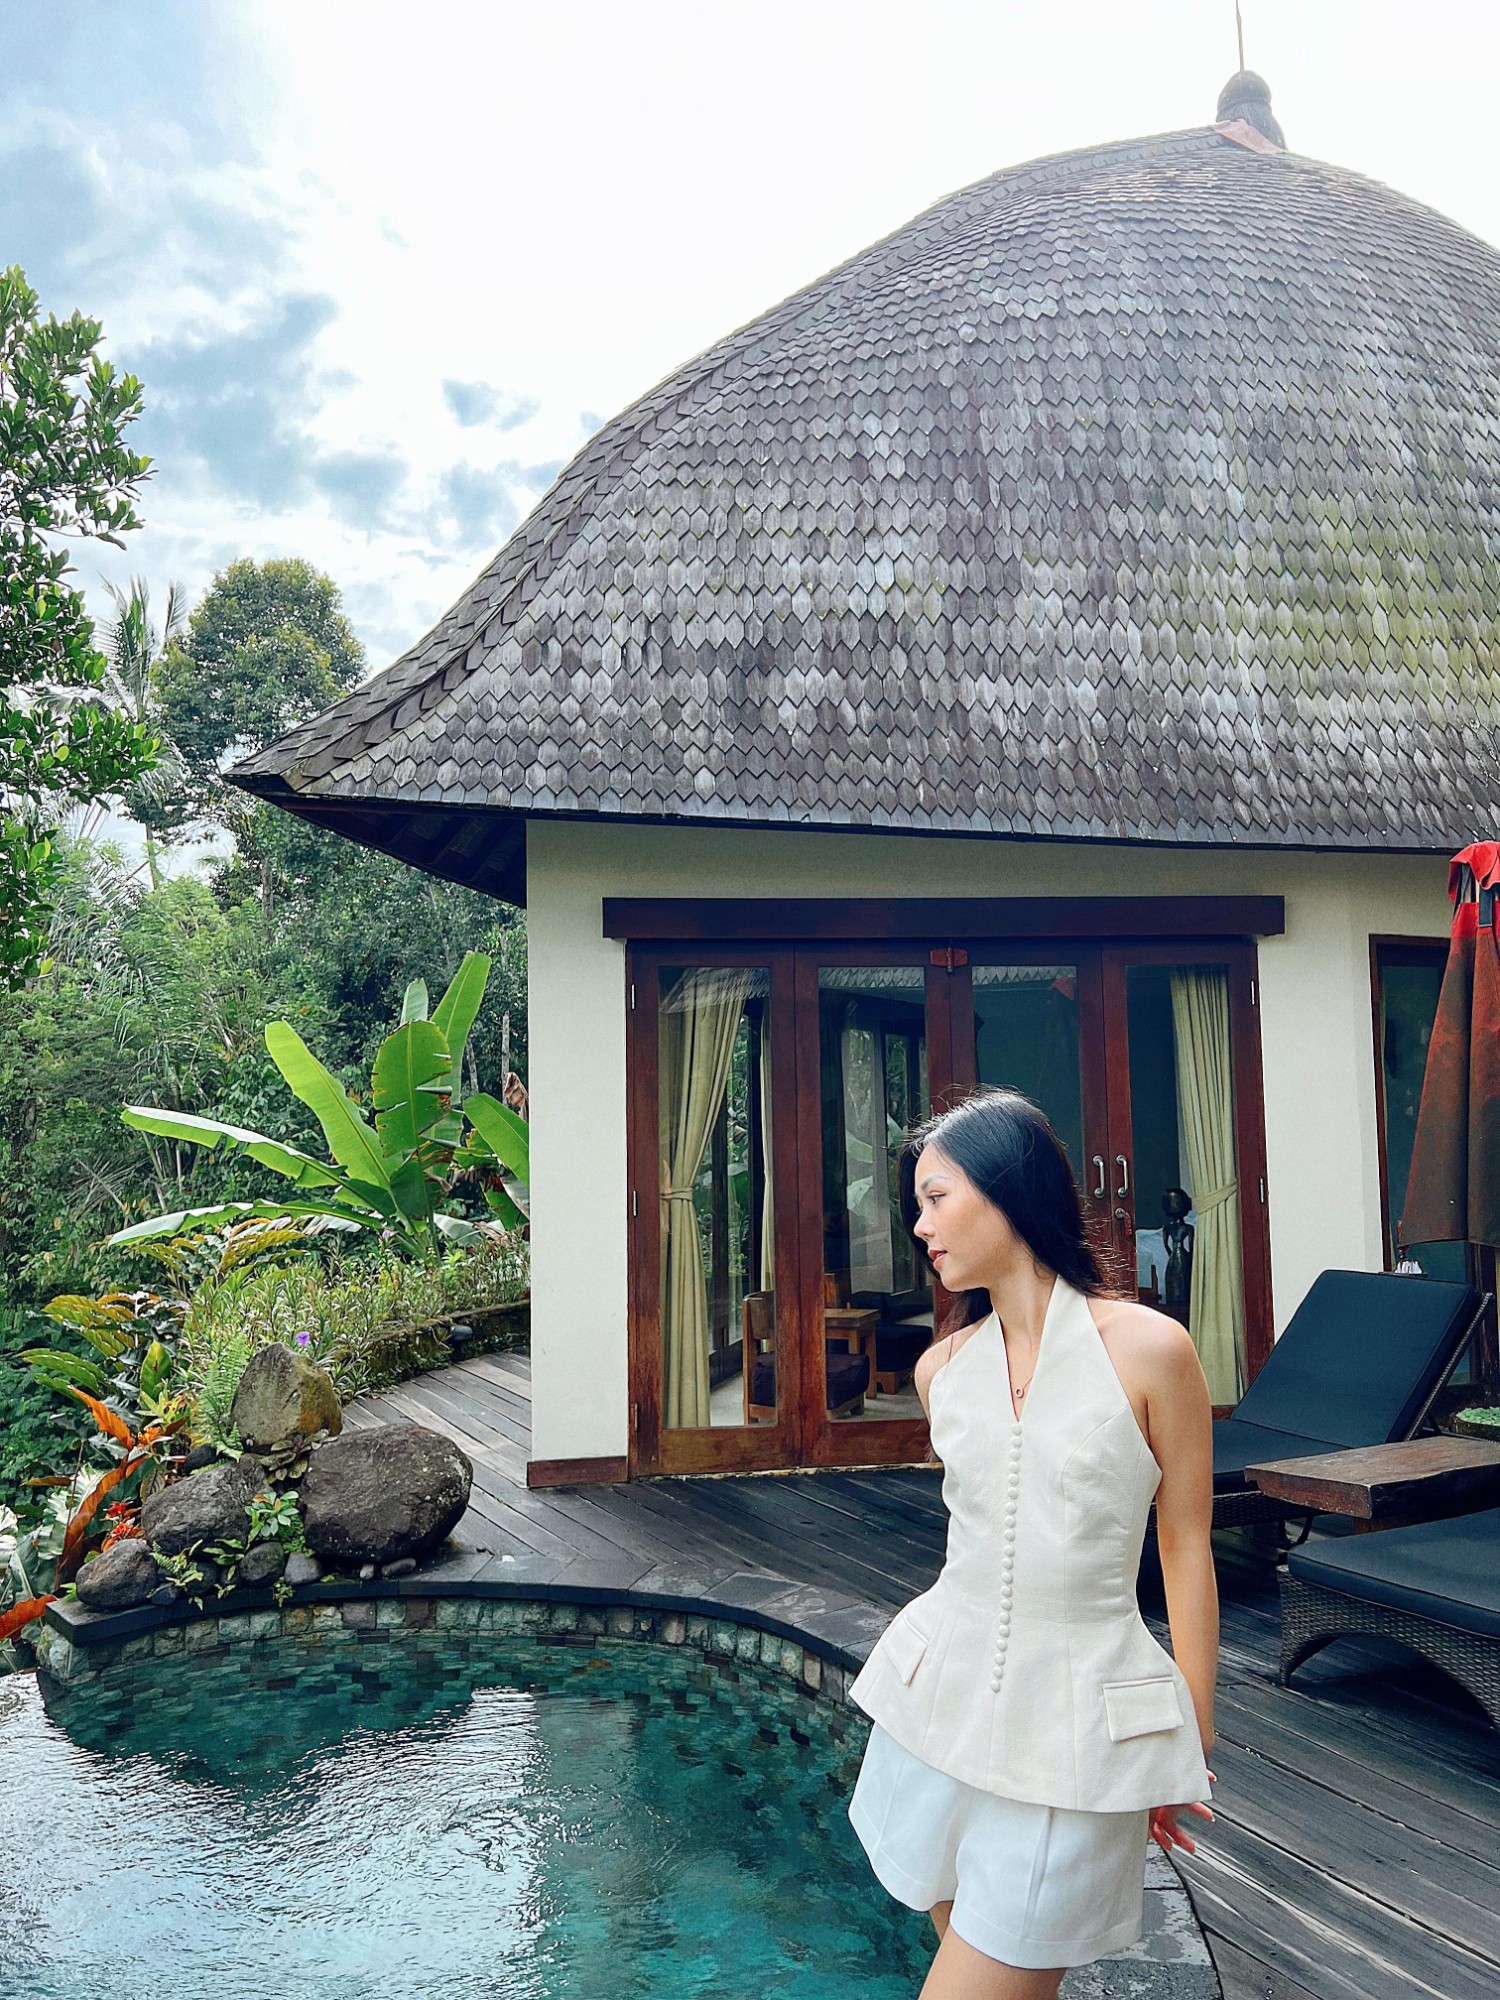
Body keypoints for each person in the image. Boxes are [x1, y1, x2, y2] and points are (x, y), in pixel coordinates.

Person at [845, 1086, 1218, 1999]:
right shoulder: (941, 1371)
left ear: (1008, 1190)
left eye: (936, 1198)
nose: (919, 1225)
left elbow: (1185, 1545)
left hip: (1078, 1732)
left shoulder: (1151, 1350)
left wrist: (1188, 1741)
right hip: (937, 1716)